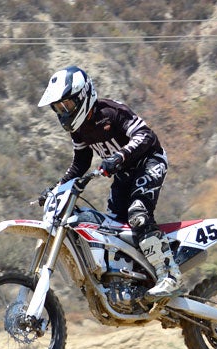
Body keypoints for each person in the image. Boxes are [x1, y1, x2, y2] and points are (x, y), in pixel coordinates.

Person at [37, 66, 182, 299]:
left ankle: (169, 274)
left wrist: (120, 156)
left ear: (82, 96)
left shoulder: (111, 112)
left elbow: (146, 135)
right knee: (111, 229)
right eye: (58, 108)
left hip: (149, 162)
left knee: (138, 214)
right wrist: (55, 190)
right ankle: (137, 278)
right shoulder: (79, 130)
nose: (63, 112)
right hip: (123, 175)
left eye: (67, 105)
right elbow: (80, 164)